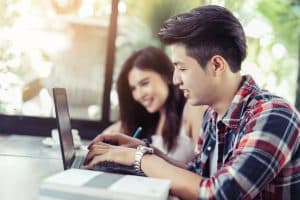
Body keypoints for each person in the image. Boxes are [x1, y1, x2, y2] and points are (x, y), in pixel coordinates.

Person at [85, 5, 300, 200]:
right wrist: (144, 149)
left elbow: (219, 194)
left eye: (182, 68)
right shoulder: (213, 114)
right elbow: (196, 173)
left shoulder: (273, 116)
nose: (176, 79)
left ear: (216, 65)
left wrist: (139, 158)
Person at [91, 46, 206, 163]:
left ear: (166, 76)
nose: (139, 95)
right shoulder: (148, 118)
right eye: (133, 89)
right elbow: (105, 137)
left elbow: (203, 173)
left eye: (144, 83)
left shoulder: (193, 109)